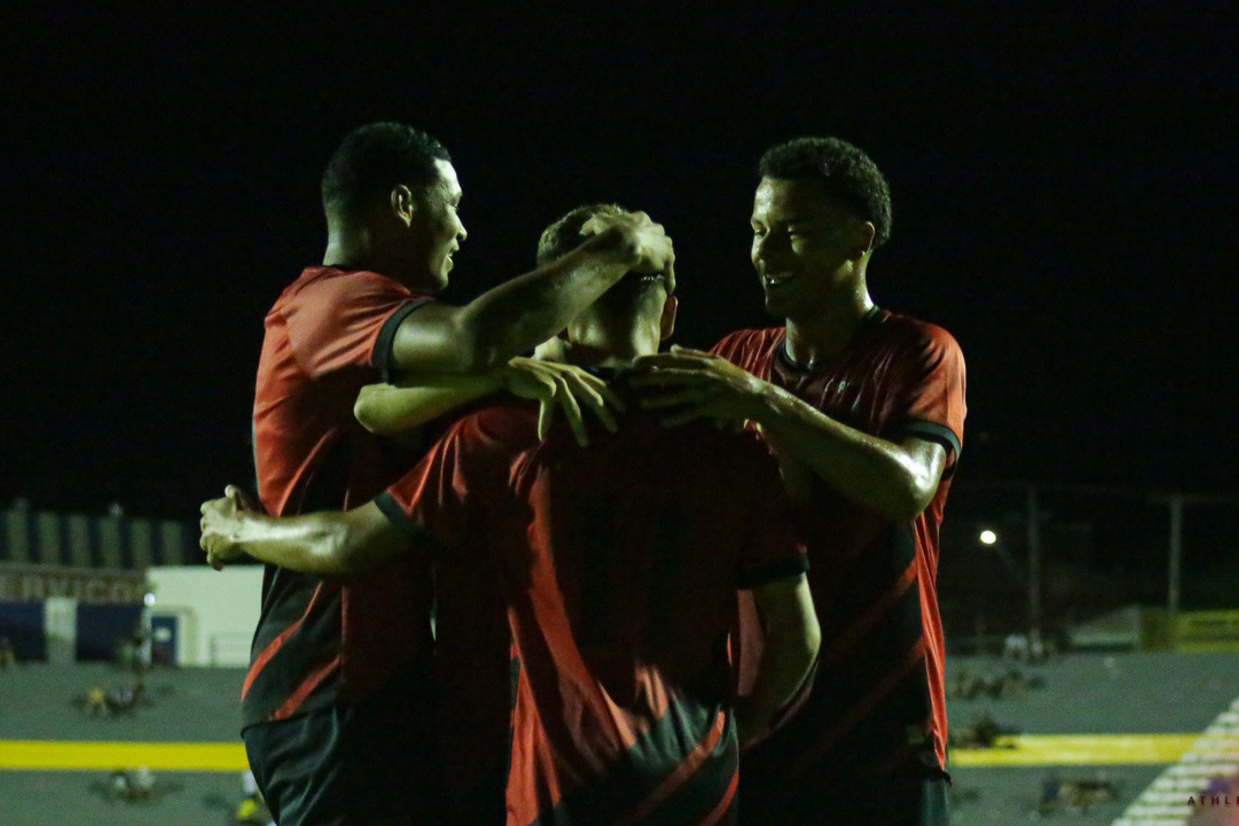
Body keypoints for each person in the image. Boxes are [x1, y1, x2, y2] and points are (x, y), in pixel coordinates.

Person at [204, 204, 820, 825]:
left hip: (562, 785)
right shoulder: (736, 447)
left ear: (562, 314)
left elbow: (351, 527)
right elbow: (799, 639)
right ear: (669, 316)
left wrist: (242, 530)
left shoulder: (503, 436)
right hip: (696, 780)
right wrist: (739, 728)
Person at [245, 124, 675, 826]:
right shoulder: (330, 301)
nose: (463, 230)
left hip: (394, 686)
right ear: (403, 204)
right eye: (453, 205)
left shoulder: (394, 350)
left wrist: (507, 370)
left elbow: (380, 407)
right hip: (329, 682)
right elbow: (474, 337)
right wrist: (621, 246)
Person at [633, 137, 966, 824]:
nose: (766, 252)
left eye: (794, 232)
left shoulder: (919, 351)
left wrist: (765, 402)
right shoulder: (735, 355)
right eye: (759, 231)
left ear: (860, 239)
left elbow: (907, 487)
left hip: (882, 721)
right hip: (758, 717)